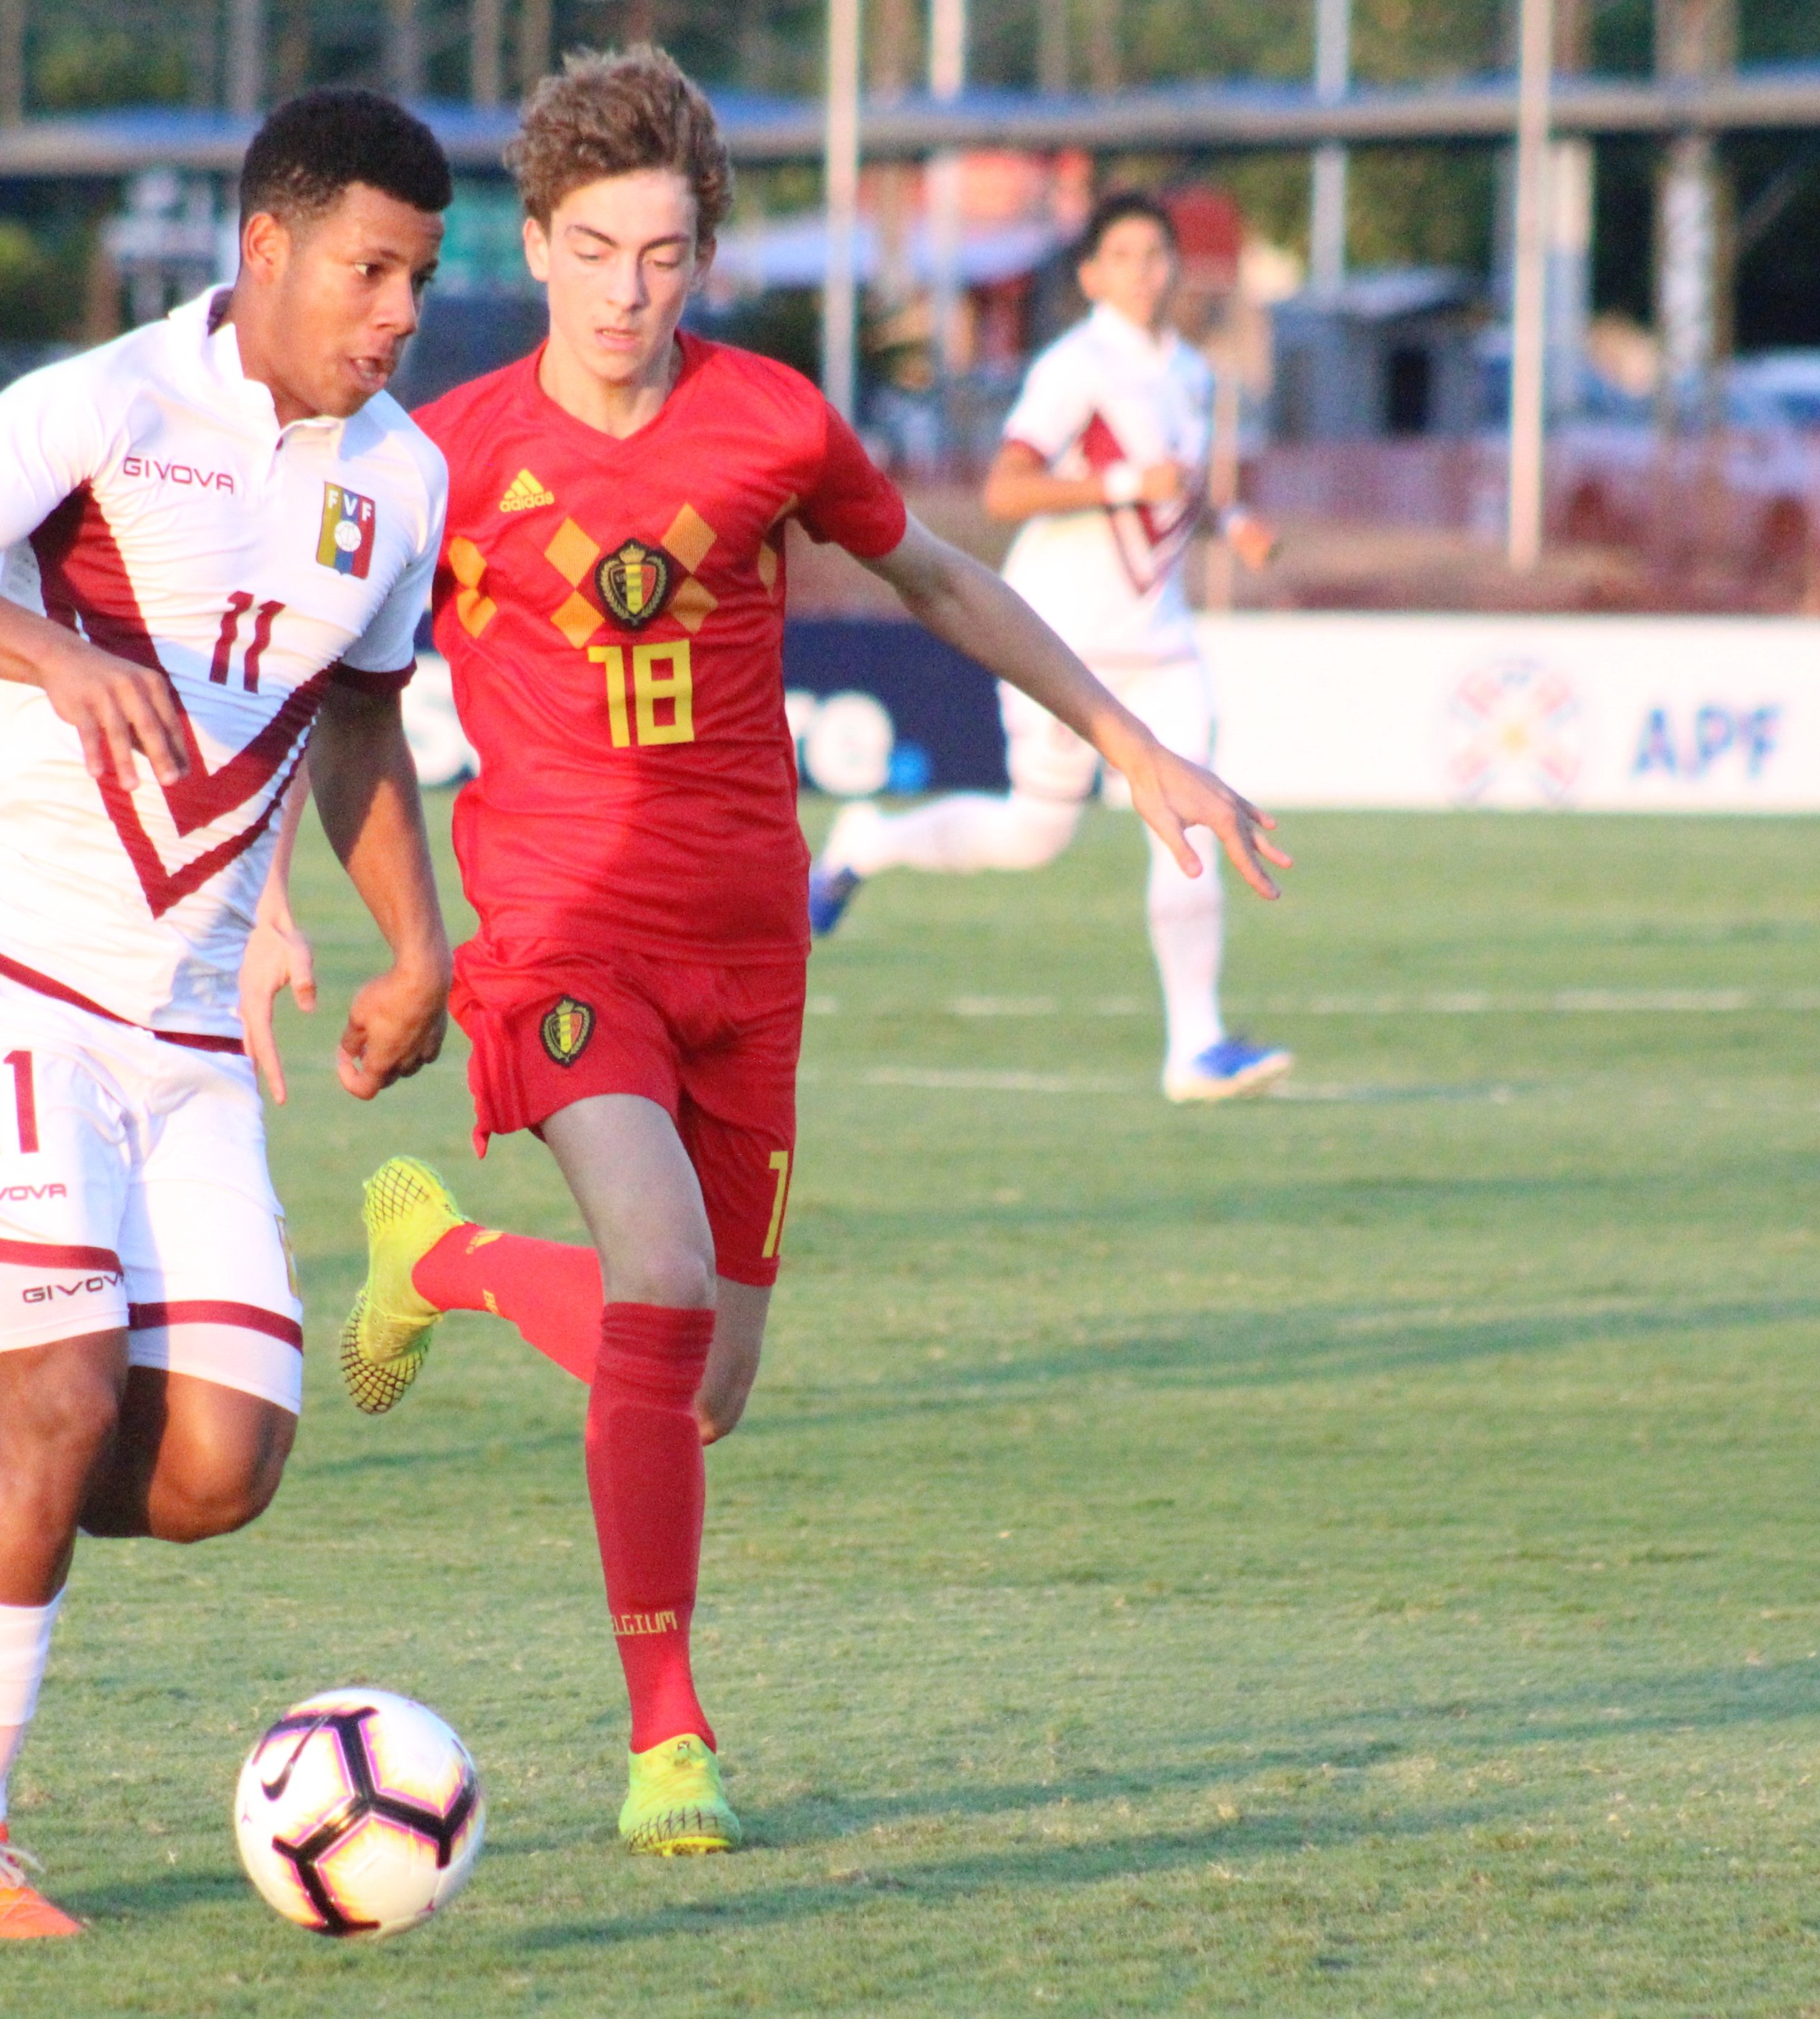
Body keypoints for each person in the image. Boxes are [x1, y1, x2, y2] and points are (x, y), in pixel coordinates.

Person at [333, 49, 1290, 1856]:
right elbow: (340, 702)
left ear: (705, 255)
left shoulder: (772, 420)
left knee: (703, 1382)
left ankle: (444, 1259)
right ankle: (666, 1728)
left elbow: (945, 578)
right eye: (599, 248)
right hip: (555, 926)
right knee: (662, 1265)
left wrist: (1132, 743)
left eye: (670, 253)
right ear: (531, 246)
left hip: (748, 947)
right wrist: (362, 945)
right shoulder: (434, 462)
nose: (633, 291)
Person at [0, 89, 456, 1941]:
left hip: (191, 1031)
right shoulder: (109, 402)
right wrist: (56, 653)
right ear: (270, 248)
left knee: (217, 1466)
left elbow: (366, 721)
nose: (397, 313)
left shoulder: (408, 477)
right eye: (371, 270)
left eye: (422, 279)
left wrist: (417, 944)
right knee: (57, 1397)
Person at [808, 190, 1293, 1104]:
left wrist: (1232, 523)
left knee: (1185, 814)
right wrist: (1119, 483)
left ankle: (1197, 1044)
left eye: (1158, 254)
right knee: (1033, 836)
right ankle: (867, 841)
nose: (1147, 270)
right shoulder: (1077, 367)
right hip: (1065, 645)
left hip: (1162, 642)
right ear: (1091, 275)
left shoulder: (1189, 370)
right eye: (1126, 255)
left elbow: (1171, 489)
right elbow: (1006, 490)